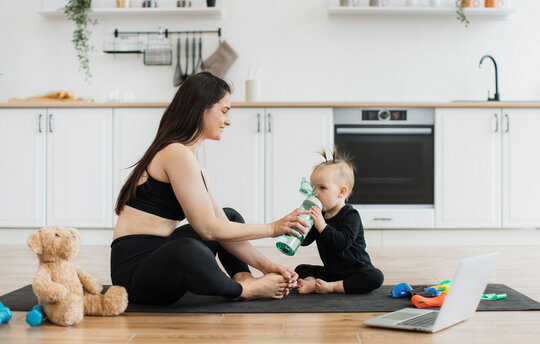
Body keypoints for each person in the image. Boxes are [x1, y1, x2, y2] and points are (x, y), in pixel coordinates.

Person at [111, 72, 309, 305]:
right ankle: (242, 289)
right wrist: (272, 228)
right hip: (135, 274)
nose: (228, 120)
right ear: (201, 108)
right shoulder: (175, 153)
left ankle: (243, 276)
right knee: (188, 249)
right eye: (224, 111)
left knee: (230, 216)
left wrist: (269, 267)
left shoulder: (190, 159)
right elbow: (207, 229)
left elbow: (220, 223)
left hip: (158, 255)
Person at [295, 148, 384, 295]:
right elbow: (305, 241)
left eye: (322, 188)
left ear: (341, 192)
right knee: (301, 269)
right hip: (332, 272)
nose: (315, 193)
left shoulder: (351, 215)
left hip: (357, 271)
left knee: (375, 277)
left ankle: (332, 287)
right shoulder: (319, 215)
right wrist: (301, 225)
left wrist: (322, 225)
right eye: (313, 188)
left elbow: (342, 243)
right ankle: (313, 284)